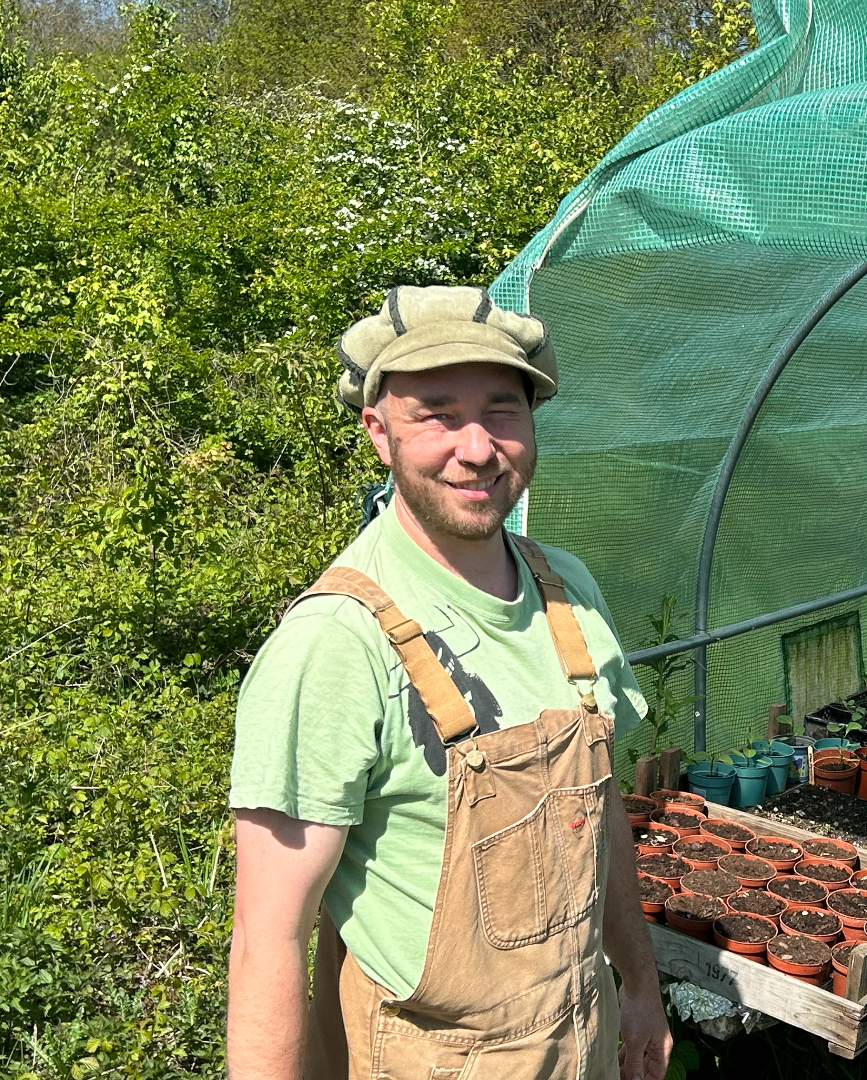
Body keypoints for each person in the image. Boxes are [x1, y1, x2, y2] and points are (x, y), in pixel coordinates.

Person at [226, 285, 671, 1080]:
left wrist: (638, 983)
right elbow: (268, 939)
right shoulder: (336, 643)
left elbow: (598, 816)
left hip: (581, 1039)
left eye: (503, 411)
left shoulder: (566, 592)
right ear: (379, 433)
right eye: (435, 413)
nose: (476, 447)